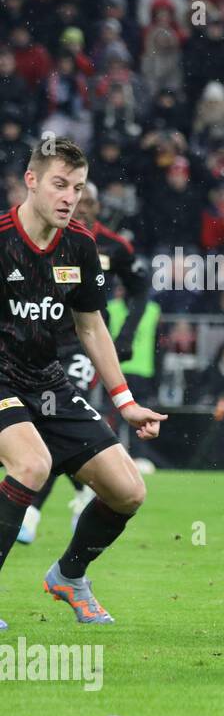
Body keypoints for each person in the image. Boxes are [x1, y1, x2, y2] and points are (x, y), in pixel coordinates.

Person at [0, 138, 166, 626]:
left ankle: (69, 576)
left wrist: (126, 402)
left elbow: (91, 327)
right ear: (30, 181)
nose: (69, 197)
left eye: (77, 186)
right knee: (32, 464)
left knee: (128, 491)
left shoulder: (80, 245)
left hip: (46, 381)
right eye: (59, 184)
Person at [17, 180, 149, 544]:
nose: (81, 205)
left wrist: (124, 337)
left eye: (87, 199)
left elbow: (141, 290)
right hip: (43, 345)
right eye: (74, 197)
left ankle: (33, 509)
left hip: (82, 345)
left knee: (54, 412)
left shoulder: (110, 245)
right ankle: (84, 491)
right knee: (45, 419)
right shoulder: (45, 237)